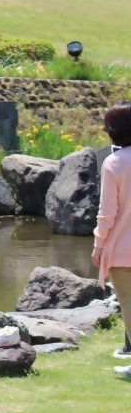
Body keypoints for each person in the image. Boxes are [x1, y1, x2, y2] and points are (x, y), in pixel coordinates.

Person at [93, 103, 131, 368]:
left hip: (121, 250)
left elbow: (107, 213)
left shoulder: (113, 163)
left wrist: (97, 246)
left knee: (129, 307)